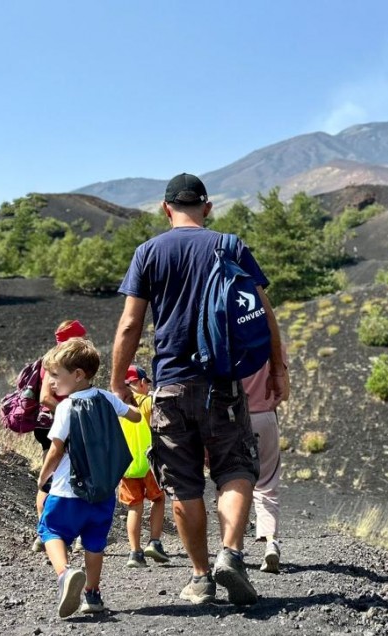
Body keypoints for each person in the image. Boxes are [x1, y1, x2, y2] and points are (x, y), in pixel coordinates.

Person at [110, 173, 288, 606]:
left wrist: (117, 382)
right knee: (235, 470)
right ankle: (232, 553)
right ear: (207, 208)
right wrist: (278, 369)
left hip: (170, 385)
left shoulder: (148, 253)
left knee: (184, 485)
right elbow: (264, 315)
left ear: (165, 208)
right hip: (223, 384)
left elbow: (131, 324)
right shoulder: (229, 246)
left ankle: (201, 576)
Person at [37, 338, 141, 618]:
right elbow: (134, 417)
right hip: (103, 492)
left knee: (51, 531)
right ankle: (92, 596)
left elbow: (57, 449)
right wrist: (129, 402)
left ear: (78, 375)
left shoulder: (66, 407)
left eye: (56, 376)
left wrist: (42, 476)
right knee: (95, 543)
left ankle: (64, 575)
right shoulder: (106, 398)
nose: (52, 382)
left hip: (67, 490)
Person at [32, 319, 88, 553]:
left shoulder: (61, 360)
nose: (86, 341)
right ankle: (46, 532)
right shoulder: (55, 362)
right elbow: (45, 397)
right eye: (82, 338)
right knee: (52, 480)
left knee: (59, 478)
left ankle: (49, 533)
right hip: (57, 425)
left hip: (54, 425)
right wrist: (69, 414)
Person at [118, 365, 170, 568]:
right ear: (139, 383)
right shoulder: (148, 401)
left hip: (126, 466)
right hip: (150, 463)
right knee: (158, 499)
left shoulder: (116, 405)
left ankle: (135, 553)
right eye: (146, 382)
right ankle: (155, 542)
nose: (148, 386)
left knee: (134, 507)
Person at [242, 347, 288, 573]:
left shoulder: (228, 334)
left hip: (233, 419)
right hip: (265, 417)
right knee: (266, 484)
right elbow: (284, 391)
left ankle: (232, 549)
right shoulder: (272, 343)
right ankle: (271, 542)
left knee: (233, 482)